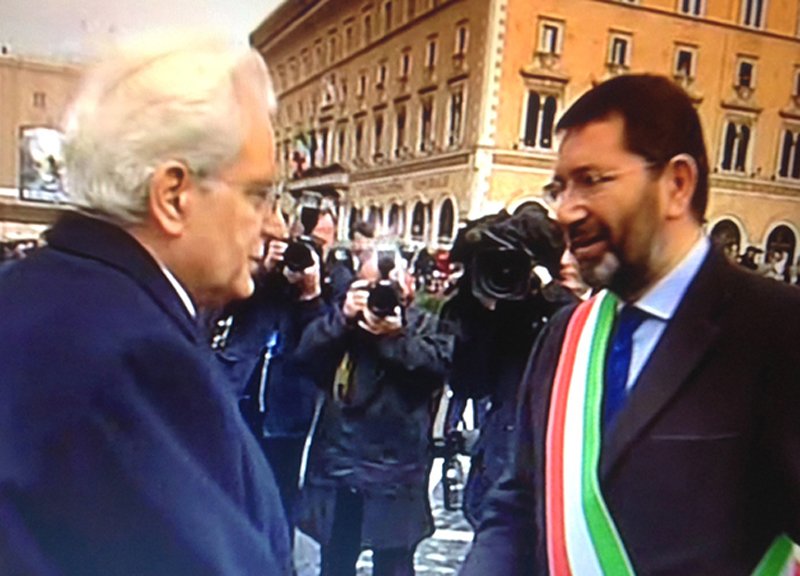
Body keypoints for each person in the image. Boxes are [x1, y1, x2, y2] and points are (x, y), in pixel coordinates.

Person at [460, 74, 800, 576]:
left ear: (677, 185)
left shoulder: (777, 331)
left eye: (592, 180)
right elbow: (519, 503)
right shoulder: (563, 337)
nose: (565, 211)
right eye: (560, 187)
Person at [0, 34, 293, 575]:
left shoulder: (36, 294)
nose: (274, 224)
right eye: (256, 194)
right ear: (174, 195)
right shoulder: (132, 357)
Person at [295, 256, 453, 576]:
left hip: (396, 472)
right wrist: (342, 319)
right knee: (336, 564)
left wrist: (394, 338)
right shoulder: (343, 327)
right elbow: (305, 358)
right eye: (371, 288)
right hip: (341, 466)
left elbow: (436, 369)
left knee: (394, 565)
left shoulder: (423, 325)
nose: (381, 299)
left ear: (409, 285)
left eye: (390, 288)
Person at [440, 204, 577, 528]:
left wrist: (553, 298)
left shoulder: (582, 313)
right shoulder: (503, 315)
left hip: (560, 480)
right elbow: (469, 383)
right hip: (500, 476)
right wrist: (482, 311)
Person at [214, 199, 331, 548]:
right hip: (241, 394)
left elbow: (320, 344)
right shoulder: (260, 282)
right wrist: (263, 270)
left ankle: (278, 559)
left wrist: (310, 293)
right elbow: (229, 304)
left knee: (280, 492)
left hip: (287, 407)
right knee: (234, 485)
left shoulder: (319, 290)